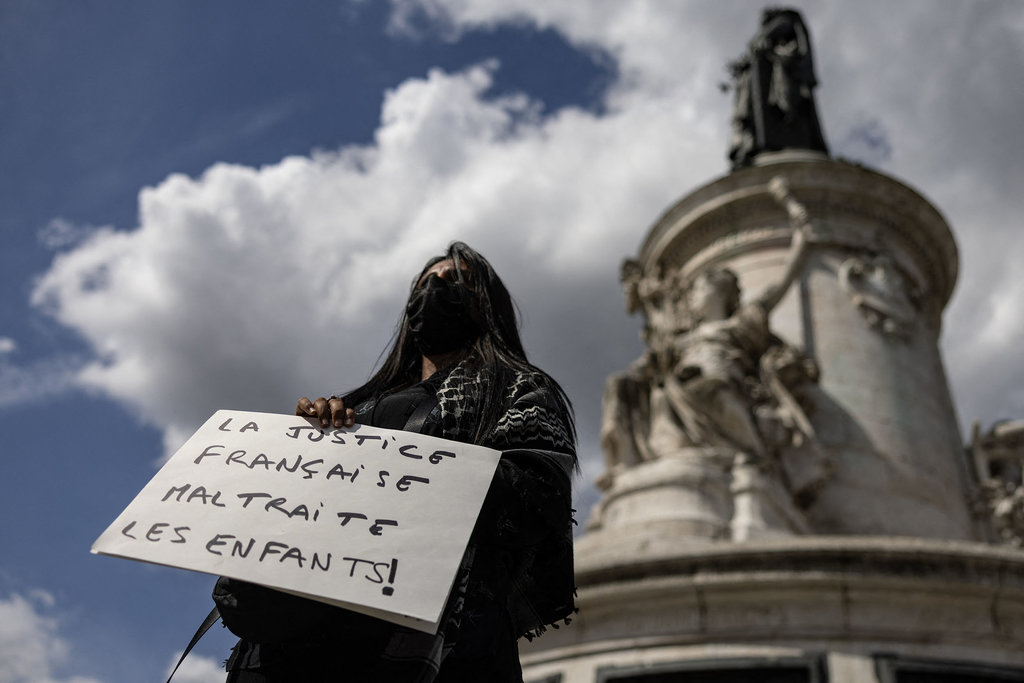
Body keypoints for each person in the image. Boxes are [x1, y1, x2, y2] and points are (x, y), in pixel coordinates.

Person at [213, 242, 577, 682]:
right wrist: (310, 447)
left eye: (453, 281)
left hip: (439, 646)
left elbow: (536, 498)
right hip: (292, 651)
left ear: (487, 305)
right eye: (424, 283)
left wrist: (404, 470)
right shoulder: (356, 406)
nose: (433, 291)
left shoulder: (519, 391)